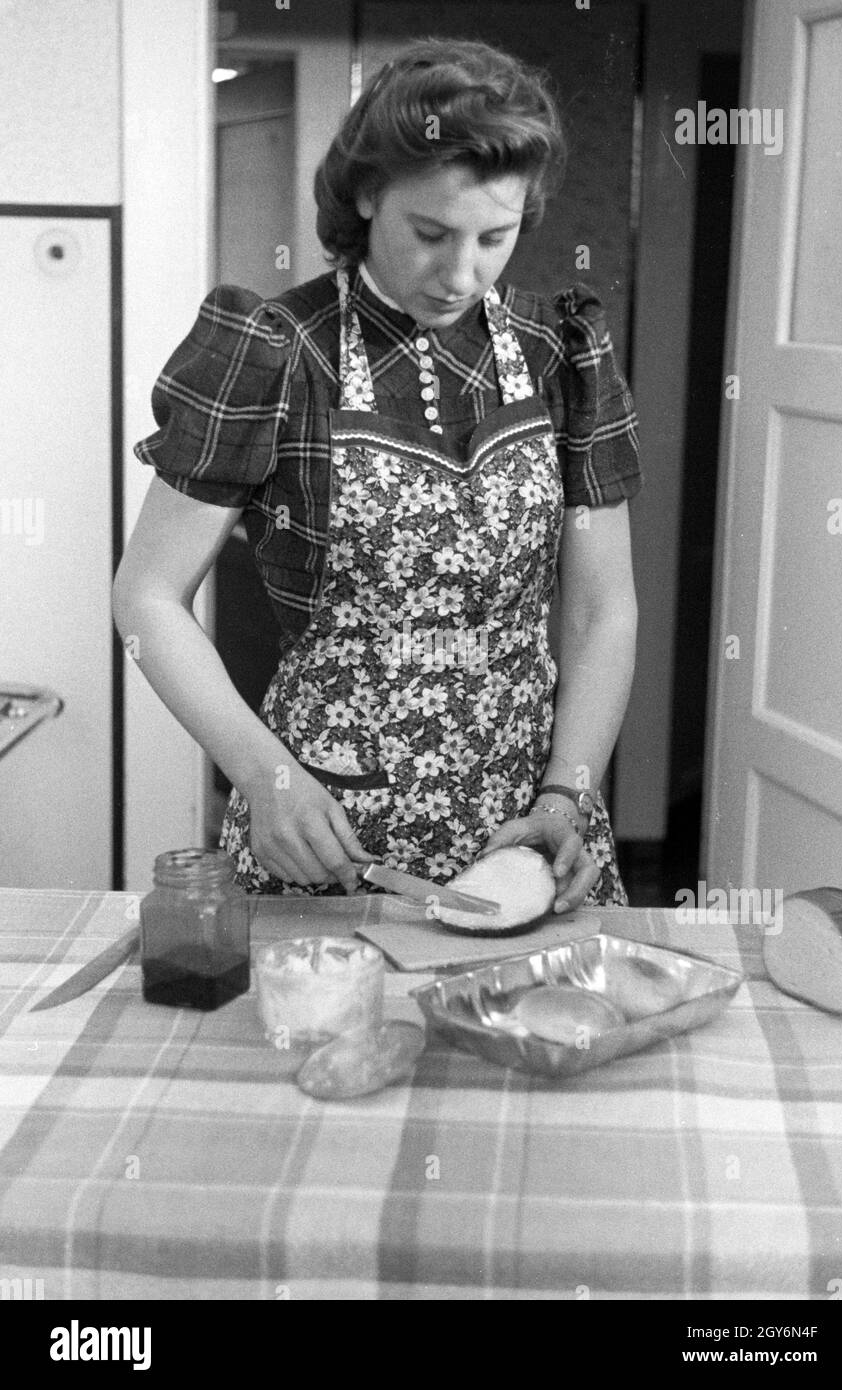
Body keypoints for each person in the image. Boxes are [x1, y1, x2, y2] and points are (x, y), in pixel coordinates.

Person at [114, 37, 642, 912]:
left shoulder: (564, 354)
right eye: (430, 233)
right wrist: (264, 776)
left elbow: (600, 608)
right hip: (325, 821)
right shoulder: (274, 352)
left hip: (526, 821)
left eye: (494, 237)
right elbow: (147, 597)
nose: (461, 272)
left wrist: (568, 794)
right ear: (365, 194)